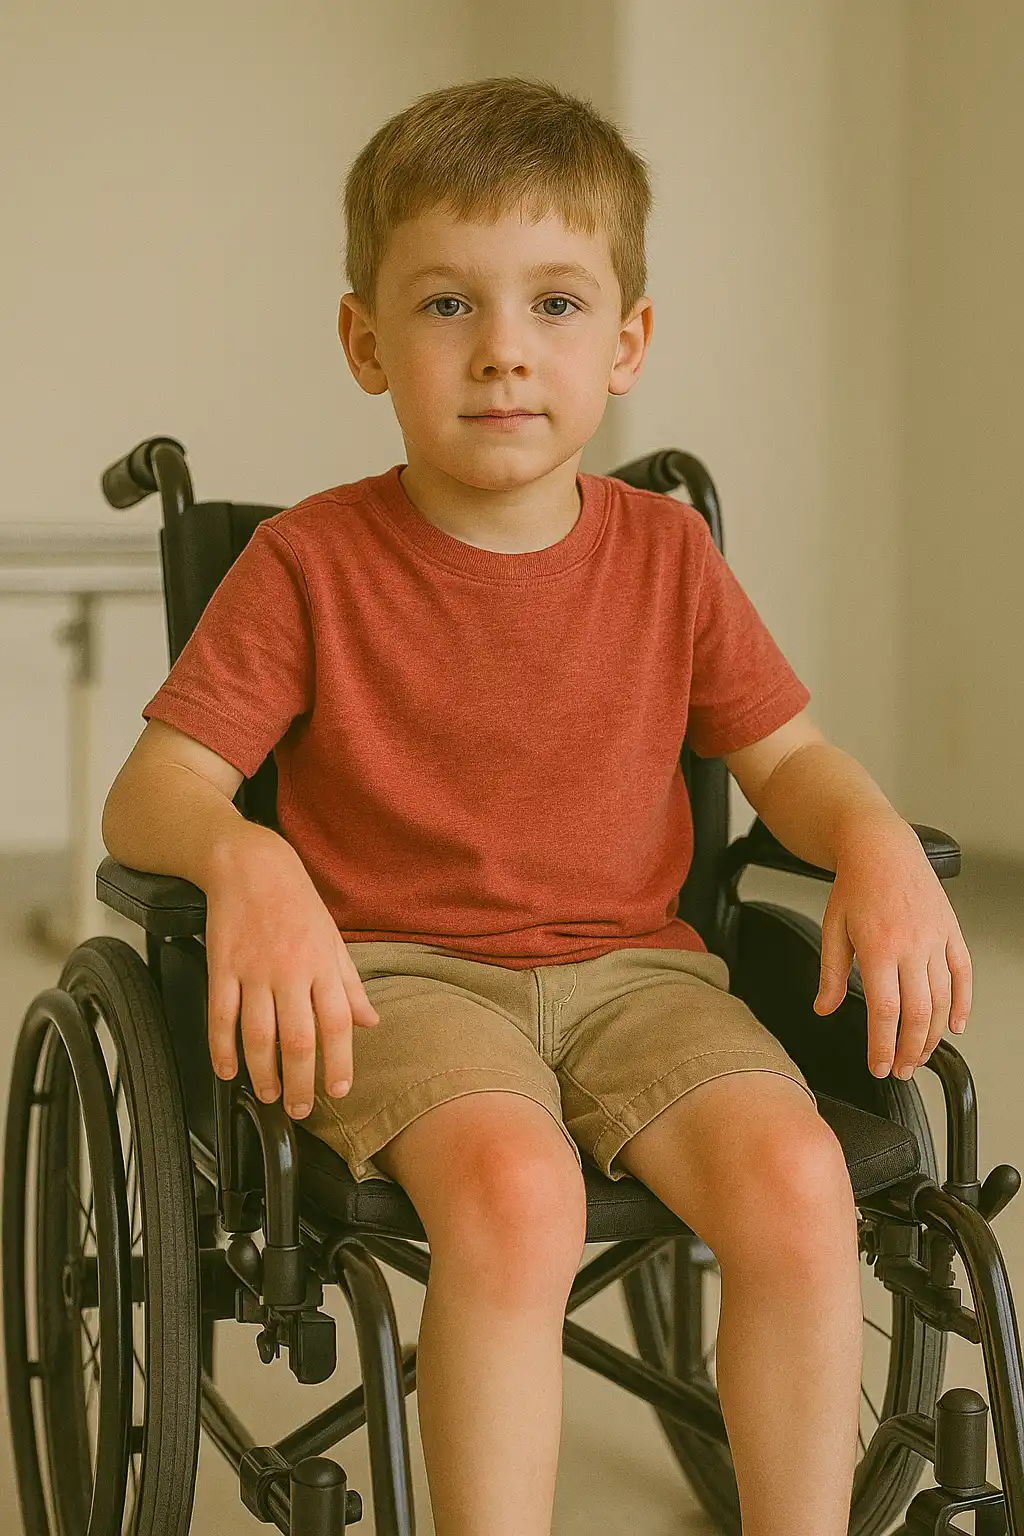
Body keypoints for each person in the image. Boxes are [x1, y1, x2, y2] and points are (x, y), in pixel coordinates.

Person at [102, 75, 973, 1536]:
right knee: (514, 1192)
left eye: (557, 305)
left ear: (626, 342)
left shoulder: (667, 559)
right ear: (364, 341)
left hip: (640, 974)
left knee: (800, 1183)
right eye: (447, 306)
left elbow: (791, 763)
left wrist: (875, 836)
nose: (504, 352)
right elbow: (156, 792)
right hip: (397, 978)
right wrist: (244, 857)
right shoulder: (310, 567)